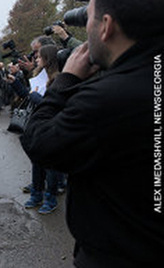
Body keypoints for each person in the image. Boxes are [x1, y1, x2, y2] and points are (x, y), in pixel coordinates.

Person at [20, 0, 164, 266]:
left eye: (89, 20)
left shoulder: (107, 100)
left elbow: (39, 142)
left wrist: (66, 81)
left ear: (106, 27)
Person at [22, 45, 66, 214]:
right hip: (37, 126)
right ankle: (36, 195)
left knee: (51, 166)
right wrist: (17, 85)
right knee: (37, 163)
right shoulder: (39, 76)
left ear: (48, 59)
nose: (36, 59)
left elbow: (55, 105)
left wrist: (35, 97)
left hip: (52, 127)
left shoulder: (59, 79)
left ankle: (51, 198)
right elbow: (30, 97)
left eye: (39, 56)